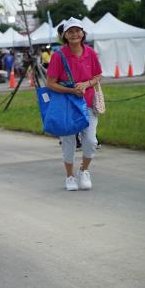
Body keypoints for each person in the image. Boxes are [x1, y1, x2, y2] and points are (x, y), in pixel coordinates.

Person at [47, 17, 102, 191]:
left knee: (91, 140)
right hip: (67, 106)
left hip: (88, 104)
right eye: (70, 31)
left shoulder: (90, 53)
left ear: (83, 33)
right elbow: (51, 83)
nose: (75, 34)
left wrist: (86, 84)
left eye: (78, 30)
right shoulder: (58, 56)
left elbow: (98, 75)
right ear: (65, 35)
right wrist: (72, 91)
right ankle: (69, 176)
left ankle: (84, 170)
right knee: (68, 141)